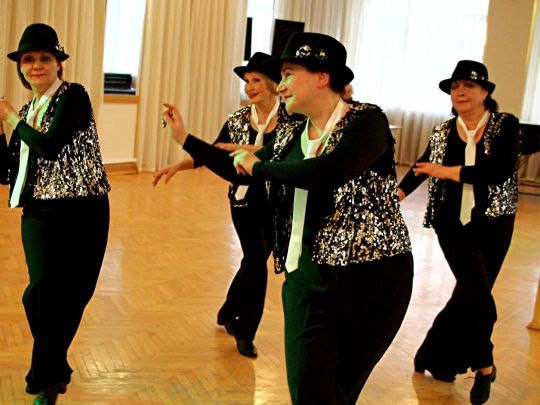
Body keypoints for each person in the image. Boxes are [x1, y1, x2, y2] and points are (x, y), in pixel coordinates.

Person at [162, 32, 414, 405]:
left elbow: (329, 170)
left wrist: (260, 167)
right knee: (310, 391)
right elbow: (239, 170)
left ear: (322, 77)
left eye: (288, 74)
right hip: (306, 278)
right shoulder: (292, 133)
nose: (280, 86)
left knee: (340, 390)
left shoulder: (367, 120)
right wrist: (187, 139)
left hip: (374, 277)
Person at [153, 52, 294, 358]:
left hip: (279, 201)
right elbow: (214, 155)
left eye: (256, 80)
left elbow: (279, 153)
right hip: (245, 200)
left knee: (254, 259)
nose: (249, 87)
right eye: (247, 81)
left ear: (272, 84)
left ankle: (228, 310)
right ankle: (244, 331)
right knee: (255, 260)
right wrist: (179, 165)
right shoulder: (237, 119)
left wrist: (243, 148)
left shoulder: (291, 118)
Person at [0, 23, 110, 405]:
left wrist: (12, 120)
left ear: (58, 63)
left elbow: (49, 146)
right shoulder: (27, 111)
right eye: (28, 59)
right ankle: (54, 368)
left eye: (44, 58)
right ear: (20, 67)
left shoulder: (73, 96)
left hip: (85, 209)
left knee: (72, 296)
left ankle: (47, 381)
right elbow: (6, 172)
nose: (36, 65)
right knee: (39, 294)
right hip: (40, 211)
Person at [397, 60, 519, 405]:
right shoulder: (442, 130)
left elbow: (498, 171)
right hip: (451, 223)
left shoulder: (504, 124)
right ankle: (484, 365)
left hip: (494, 221)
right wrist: (398, 194)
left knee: (469, 294)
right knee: (477, 292)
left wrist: (447, 171)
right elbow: (423, 166)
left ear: (485, 92)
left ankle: (434, 356)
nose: (460, 92)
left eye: (468, 85)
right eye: (455, 87)